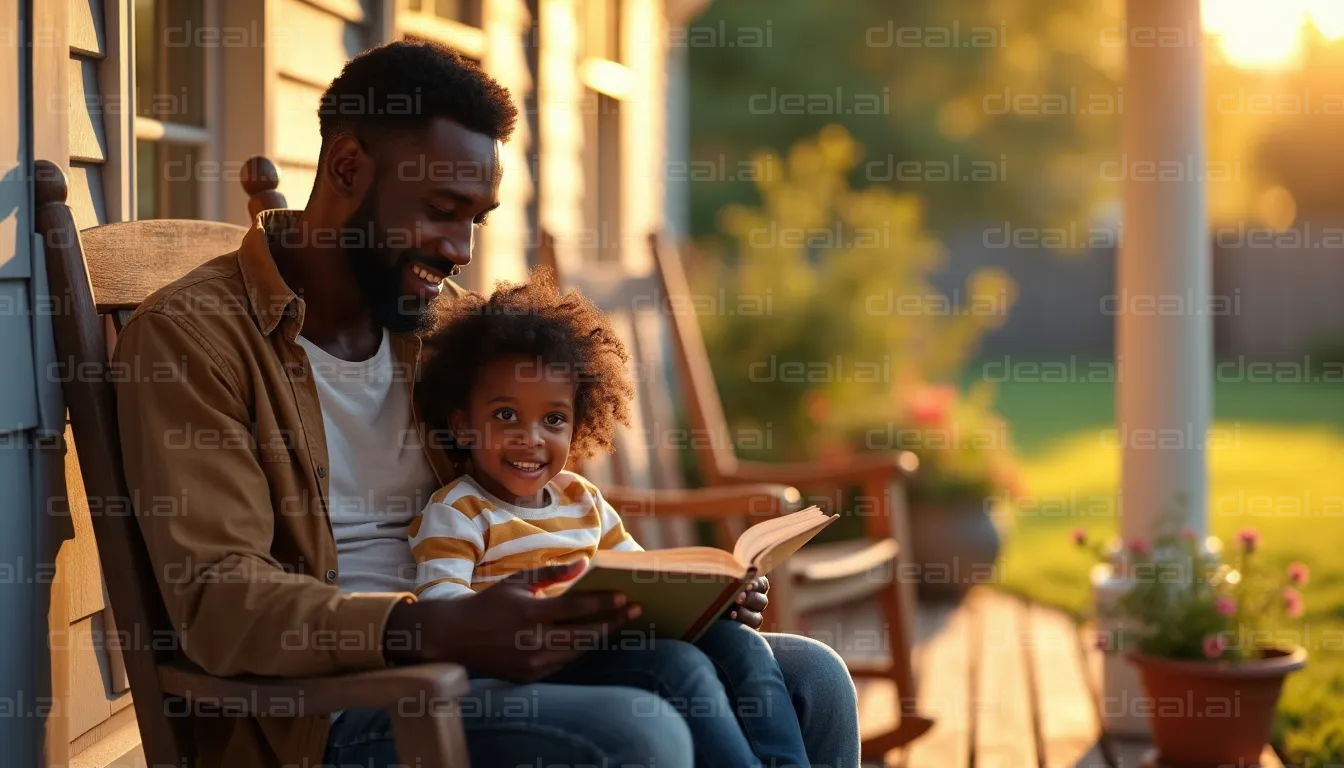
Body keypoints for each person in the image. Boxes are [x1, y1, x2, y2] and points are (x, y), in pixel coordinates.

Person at [114, 40, 859, 768]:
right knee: (643, 729)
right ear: (346, 167)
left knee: (812, 680)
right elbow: (219, 602)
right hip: (335, 708)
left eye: (478, 216)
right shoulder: (191, 341)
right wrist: (436, 627)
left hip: (500, 647)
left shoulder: (444, 331)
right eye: (442, 209)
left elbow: (538, 481)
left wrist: (689, 595)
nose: (462, 248)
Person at [409, 271, 813, 767]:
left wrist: (717, 598)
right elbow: (440, 605)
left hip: (609, 651)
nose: (531, 438)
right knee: (677, 666)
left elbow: (648, 580)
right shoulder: (458, 510)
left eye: (553, 419)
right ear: (463, 426)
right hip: (525, 669)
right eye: (506, 415)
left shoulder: (583, 499)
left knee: (742, 644)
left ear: (578, 424)